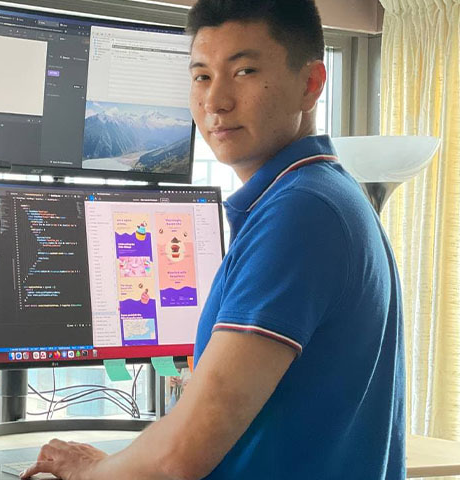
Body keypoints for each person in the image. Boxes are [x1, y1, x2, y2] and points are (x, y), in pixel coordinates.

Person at [21, 0, 404, 478]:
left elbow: (181, 457)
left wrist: (87, 472)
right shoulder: (324, 193)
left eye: (243, 71)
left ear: (311, 85)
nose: (215, 101)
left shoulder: (301, 212)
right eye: (201, 76)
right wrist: (118, 462)